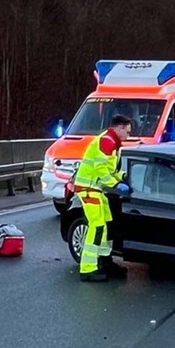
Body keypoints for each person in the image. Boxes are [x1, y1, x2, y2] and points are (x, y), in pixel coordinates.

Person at [73, 115, 132, 282]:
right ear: (119, 128)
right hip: (89, 190)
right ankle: (88, 269)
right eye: (126, 132)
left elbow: (108, 169)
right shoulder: (107, 141)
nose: (127, 136)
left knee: (107, 225)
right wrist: (115, 184)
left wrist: (122, 177)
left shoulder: (112, 142)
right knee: (97, 227)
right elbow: (100, 169)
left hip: (96, 190)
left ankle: (105, 261)